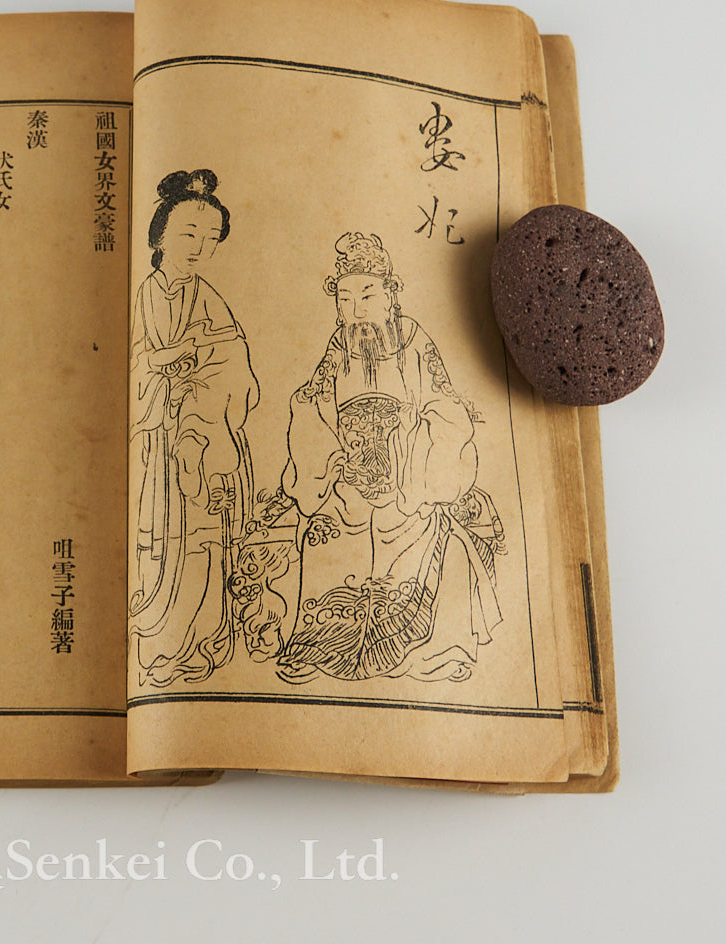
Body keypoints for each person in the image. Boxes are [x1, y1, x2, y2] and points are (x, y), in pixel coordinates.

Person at [276, 232, 505, 684]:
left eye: (367, 296)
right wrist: (332, 457)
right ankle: (319, 646)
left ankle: (437, 651)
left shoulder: (416, 344)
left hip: (409, 480)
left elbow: (446, 407)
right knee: (324, 537)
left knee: (426, 537)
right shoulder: (337, 349)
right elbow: (311, 405)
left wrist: (413, 448)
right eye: (345, 299)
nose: (357, 310)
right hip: (350, 481)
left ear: (390, 295)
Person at [129, 170, 259, 687]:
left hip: (200, 444)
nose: (199, 249)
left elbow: (236, 366)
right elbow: (132, 364)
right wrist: (168, 361)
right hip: (153, 444)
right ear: (160, 235)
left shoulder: (209, 298)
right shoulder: (141, 295)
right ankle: (155, 643)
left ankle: (199, 643)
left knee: (202, 546)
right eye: (188, 235)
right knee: (157, 544)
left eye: (210, 239)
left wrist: (200, 401)